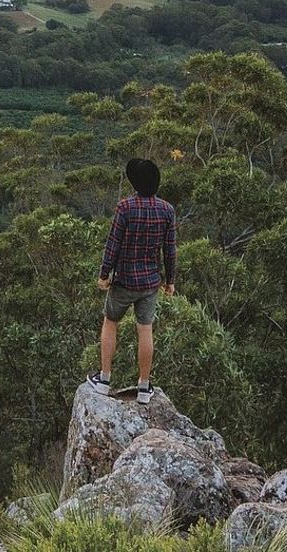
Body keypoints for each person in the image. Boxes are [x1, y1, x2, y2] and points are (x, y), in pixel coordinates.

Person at [88, 157, 176, 404]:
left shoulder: (125, 207)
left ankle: (104, 380)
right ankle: (145, 388)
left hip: (125, 280)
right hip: (150, 283)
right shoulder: (167, 210)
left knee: (110, 322)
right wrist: (170, 280)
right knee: (145, 329)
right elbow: (170, 250)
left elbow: (113, 244)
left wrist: (104, 274)